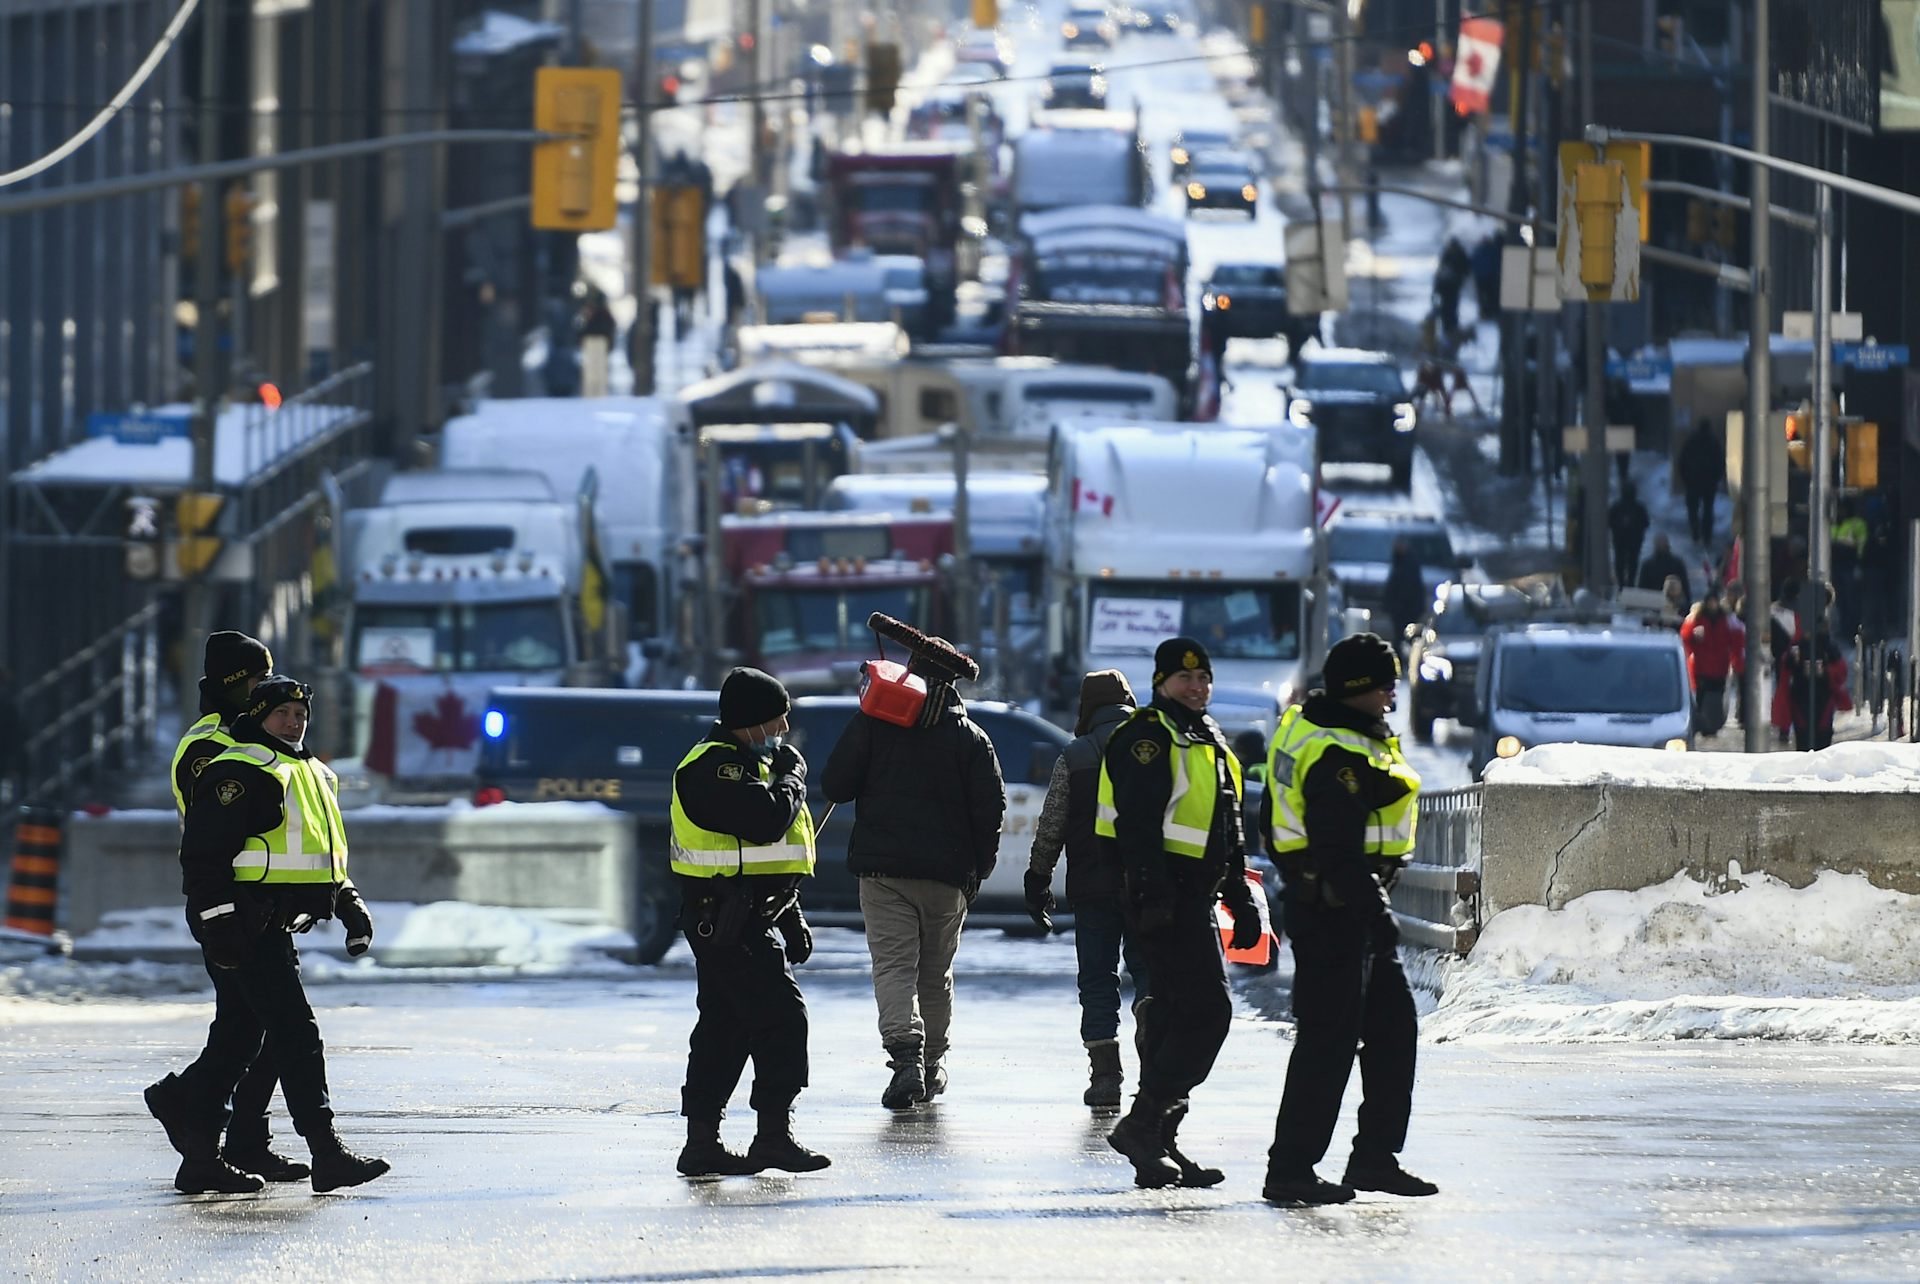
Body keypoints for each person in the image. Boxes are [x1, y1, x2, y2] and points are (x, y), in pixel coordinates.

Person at [144, 675, 389, 1196]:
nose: (295, 721)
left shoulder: (309, 772)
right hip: (246, 924)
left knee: (240, 1038)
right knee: (295, 1033)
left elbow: (322, 854)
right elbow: (203, 858)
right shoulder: (240, 771)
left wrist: (349, 903)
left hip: (270, 923)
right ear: (258, 717)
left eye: (300, 713)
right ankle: (326, 1152)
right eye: (282, 713)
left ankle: (200, 1155)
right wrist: (221, 922)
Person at [1262, 633, 1433, 1207]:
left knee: (1393, 1032)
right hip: (1337, 912)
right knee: (1327, 1044)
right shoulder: (1337, 752)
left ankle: (1375, 1158)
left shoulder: (1331, 731)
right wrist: (1375, 912)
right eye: (1384, 683)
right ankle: (1289, 1169)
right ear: (1357, 688)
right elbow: (1336, 849)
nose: (1393, 693)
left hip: (1346, 907)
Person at [147, 631, 309, 1188]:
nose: (266, 690)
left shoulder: (249, 735)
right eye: (256, 681)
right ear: (233, 684)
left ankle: (235, 1141)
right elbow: (218, 834)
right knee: (254, 1028)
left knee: (250, 1027)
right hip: (231, 905)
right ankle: (191, 1112)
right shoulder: (210, 744)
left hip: (261, 904)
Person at [1099, 638, 1260, 1190]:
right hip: (1164, 897)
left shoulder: (1204, 735)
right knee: (1208, 1011)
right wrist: (1151, 895)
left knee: (1171, 1018)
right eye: (1186, 678)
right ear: (1161, 682)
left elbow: (1226, 827)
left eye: (1204, 678)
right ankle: (1145, 1123)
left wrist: (1239, 893)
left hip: (1196, 895)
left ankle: (1157, 1145)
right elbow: (1137, 826)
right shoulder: (1149, 735)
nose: (1198, 687)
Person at [823, 637, 1005, 1110]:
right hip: (947, 878)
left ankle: (905, 1058)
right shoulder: (972, 740)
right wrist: (977, 873)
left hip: (883, 872)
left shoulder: (875, 725)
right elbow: (991, 813)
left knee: (894, 966)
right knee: (935, 973)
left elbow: (835, 785)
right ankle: (932, 1066)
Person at [669, 667, 829, 1176]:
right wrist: (793, 778)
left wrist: (791, 916)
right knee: (783, 1019)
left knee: (725, 1028)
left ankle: (702, 1146)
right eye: (777, 722)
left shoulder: (747, 764)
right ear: (750, 721)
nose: (782, 732)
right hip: (726, 922)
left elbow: (764, 861)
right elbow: (764, 822)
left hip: (745, 918)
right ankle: (773, 1137)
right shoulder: (715, 768)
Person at [1027, 670, 1142, 1111]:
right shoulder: (1156, 747)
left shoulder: (1075, 755)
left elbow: (1052, 823)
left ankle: (1105, 1078)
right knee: (1147, 970)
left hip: (1093, 885)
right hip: (1147, 884)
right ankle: (1150, 1044)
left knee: (1097, 979)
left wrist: (1037, 879)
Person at [1681, 590, 1745, 736]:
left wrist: (1736, 660)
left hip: (1719, 666)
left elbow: (1735, 639)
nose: (1712, 605)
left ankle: (1713, 725)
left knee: (1717, 695)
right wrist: (1693, 637)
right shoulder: (1697, 619)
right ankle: (1703, 725)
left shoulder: (1726, 620)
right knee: (1702, 697)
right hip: (1702, 666)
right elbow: (1686, 637)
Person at [1784, 627, 1851, 751]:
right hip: (1803, 695)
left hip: (1819, 695)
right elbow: (1788, 665)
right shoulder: (1799, 646)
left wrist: (1824, 672)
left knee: (1818, 736)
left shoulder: (1826, 646)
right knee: (1808, 735)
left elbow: (1840, 670)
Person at [1679, 418, 1723, 546]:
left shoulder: (1691, 441)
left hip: (1693, 481)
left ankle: (1695, 529)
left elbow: (1682, 460)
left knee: (1692, 508)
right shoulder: (1714, 442)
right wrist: (1716, 478)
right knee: (1708, 509)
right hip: (1709, 483)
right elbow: (1720, 462)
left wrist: (1686, 478)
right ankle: (1707, 535)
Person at [1381, 538, 1430, 644]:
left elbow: (1409, 587)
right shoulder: (1399, 561)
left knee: (1405, 635)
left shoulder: (1409, 564)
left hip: (1407, 608)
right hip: (1400, 608)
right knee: (1400, 635)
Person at [1608, 481, 1650, 590]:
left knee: (1620, 562)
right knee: (1632, 562)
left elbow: (1609, 522)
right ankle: (1629, 582)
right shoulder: (1639, 508)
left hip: (1620, 540)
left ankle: (1622, 583)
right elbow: (1646, 523)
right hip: (1634, 541)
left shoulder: (1617, 507)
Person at [1636, 533, 1691, 603]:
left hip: (1667, 600)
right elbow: (1642, 586)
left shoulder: (1648, 564)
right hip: (1654, 599)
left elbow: (1685, 585)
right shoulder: (1647, 565)